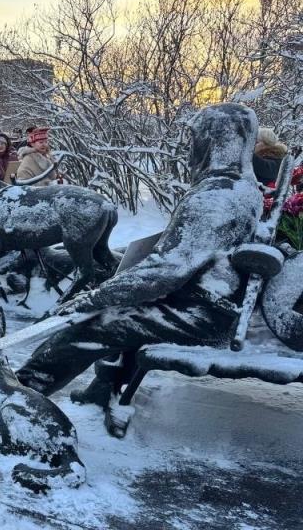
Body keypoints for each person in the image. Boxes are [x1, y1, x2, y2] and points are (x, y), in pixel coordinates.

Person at [15, 104, 265, 428]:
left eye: (197, 138)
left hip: (201, 313)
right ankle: (102, 386)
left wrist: (97, 297)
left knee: (100, 321)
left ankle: (16, 397)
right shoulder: (239, 186)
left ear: (213, 140)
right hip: (204, 301)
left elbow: (167, 270)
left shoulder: (218, 196)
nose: (192, 147)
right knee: (117, 312)